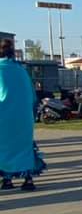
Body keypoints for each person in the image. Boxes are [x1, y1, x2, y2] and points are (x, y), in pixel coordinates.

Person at [0, 39, 45, 191]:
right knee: (24, 146)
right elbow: (32, 95)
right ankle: (28, 179)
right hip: (23, 116)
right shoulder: (21, 70)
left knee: (4, 148)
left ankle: (7, 180)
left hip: (3, 116)